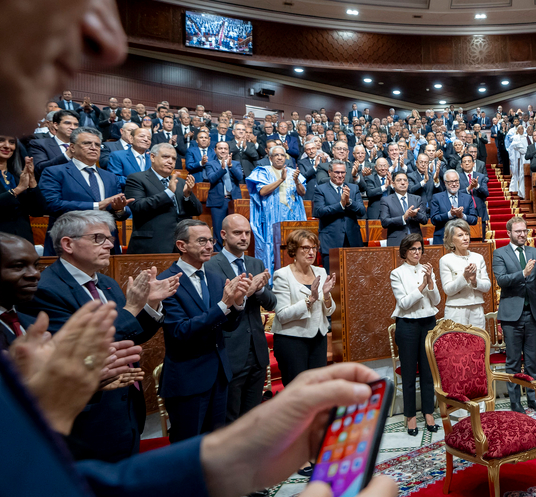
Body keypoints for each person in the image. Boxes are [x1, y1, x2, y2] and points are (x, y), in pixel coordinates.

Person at [0, 2, 399, 495]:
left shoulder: (162, 277)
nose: (110, 39)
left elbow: (64, 481)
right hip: (193, 377)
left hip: (211, 380)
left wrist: (228, 461)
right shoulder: (73, 281)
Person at [18, 210, 176, 461]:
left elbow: (130, 335)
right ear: (68, 243)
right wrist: (133, 307)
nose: (110, 244)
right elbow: (77, 350)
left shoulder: (106, 283)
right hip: (88, 412)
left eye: (109, 238)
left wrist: (151, 306)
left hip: (125, 405)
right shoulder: (46, 289)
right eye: (98, 238)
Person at [158, 220, 251, 443]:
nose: (209, 246)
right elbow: (180, 331)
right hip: (187, 378)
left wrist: (237, 304)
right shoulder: (166, 281)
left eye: (210, 240)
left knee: (216, 446)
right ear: (181, 245)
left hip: (218, 375)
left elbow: (228, 325)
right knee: (188, 448)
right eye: (201, 241)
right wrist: (223, 306)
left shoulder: (215, 277)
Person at [203, 214, 275, 422]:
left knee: (253, 417)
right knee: (230, 417)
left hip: (257, 350)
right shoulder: (211, 266)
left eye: (247, 233)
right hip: (230, 350)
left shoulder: (256, 263)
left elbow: (272, 303)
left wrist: (259, 291)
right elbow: (215, 307)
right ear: (223, 235)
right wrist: (247, 292)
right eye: (238, 233)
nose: (244, 237)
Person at [40, 127, 131, 256]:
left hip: (106, 245)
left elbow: (122, 213)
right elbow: (51, 204)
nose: (93, 147)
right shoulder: (54, 172)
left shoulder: (110, 177)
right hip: (70, 244)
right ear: (72, 147)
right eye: (87, 143)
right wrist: (97, 206)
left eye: (97, 144)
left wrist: (119, 210)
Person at [492, 216, 536, 413]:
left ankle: (533, 399)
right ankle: (515, 402)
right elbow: (502, 280)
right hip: (511, 317)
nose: (523, 234)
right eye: (518, 231)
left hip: (532, 313)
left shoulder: (534, 251)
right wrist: (523, 274)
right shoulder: (500, 253)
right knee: (514, 361)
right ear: (509, 233)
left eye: (525, 231)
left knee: (532, 360)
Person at [271, 229, 337, 387]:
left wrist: (326, 295)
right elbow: (282, 315)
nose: (311, 252)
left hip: (317, 339)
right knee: (297, 392)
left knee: (316, 390)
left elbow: (329, 310)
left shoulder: (320, 271)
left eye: (314, 248)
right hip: (292, 341)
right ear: (294, 250)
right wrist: (311, 299)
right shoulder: (282, 275)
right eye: (306, 248)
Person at [389, 233, 440, 436]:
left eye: (419, 249)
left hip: (428, 322)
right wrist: (422, 285)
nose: (417, 253)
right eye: (413, 249)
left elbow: (435, 301)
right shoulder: (397, 273)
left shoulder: (427, 270)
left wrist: (430, 282)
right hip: (407, 325)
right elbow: (404, 303)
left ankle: (429, 412)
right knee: (409, 372)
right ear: (405, 252)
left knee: (428, 372)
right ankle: (410, 416)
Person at [124, 143, 203, 254]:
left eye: (173, 159)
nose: (170, 161)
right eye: (165, 157)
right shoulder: (136, 179)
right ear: (152, 157)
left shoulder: (180, 182)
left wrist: (187, 195)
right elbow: (138, 207)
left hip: (180, 245)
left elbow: (197, 211)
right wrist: (168, 192)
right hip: (151, 245)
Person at [247, 145, 307, 271]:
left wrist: (296, 181)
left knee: (294, 246)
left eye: (282, 155)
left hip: (292, 217)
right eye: (276, 155)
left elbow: (302, 193)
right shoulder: (263, 171)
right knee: (272, 247)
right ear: (270, 157)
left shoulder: (293, 172)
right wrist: (281, 180)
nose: (280, 158)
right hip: (272, 218)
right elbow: (262, 192)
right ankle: (271, 279)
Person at [438, 219, 490, 328]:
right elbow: (448, 290)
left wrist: (475, 281)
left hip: (477, 309)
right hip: (456, 310)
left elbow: (487, 286)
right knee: (457, 344)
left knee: (478, 343)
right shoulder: (446, 260)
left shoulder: (478, 258)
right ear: (451, 240)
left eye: (467, 234)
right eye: (460, 235)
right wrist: (464, 277)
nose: (465, 238)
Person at [314, 161, 365, 270]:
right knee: (332, 278)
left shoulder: (353, 188)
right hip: (330, 241)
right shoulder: (321, 189)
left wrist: (349, 202)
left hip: (353, 240)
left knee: (355, 277)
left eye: (343, 172)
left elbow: (362, 211)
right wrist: (340, 205)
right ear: (329, 172)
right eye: (337, 172)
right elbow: (318, 212)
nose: (340, 175)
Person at [204, 141, 244, 251]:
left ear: (228, 151)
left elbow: (240, 177)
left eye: (225, 149)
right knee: (218, 229)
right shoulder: (210, 164)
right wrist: (222, 168)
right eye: (220, 148)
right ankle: (218, 253)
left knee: (235, 228)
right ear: (215, 150)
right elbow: (212, 179)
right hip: (218, 201)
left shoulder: (235, 163)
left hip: (234, 201)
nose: (223, 151)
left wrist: (230, 166)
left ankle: (234, 250)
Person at [0, 143, 44, 240]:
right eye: (1, 140)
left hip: (23, 239)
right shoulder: (20, 184)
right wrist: (17, 190)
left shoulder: (17, 176)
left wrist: (32, 180)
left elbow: (38, 211)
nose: (7, 146)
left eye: (11, 142)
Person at [380, 171, 429, 246]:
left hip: (415, 241)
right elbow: (384, 222)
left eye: (405, 180)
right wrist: (403, 218)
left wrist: (415, 215)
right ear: (393, 183)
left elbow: (425, 220)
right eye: (399, 180)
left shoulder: (417, 199)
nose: (403, 183)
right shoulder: (386, 200)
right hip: (397, 241)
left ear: (408, 183)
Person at [430, 169, 478, 245]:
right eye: (451, 182)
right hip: (442, 239)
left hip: (462, 240)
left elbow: (474, 220)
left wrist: (462, 216)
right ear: (445, 183)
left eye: (456, 181)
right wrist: (449, 214)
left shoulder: (467, 198)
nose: (454, 184)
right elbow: (434, 220)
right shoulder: (437, 197)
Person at [29, 109, 79, 174]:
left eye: (76, 124)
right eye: (67, 123)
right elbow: (40, 168)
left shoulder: (80, 146)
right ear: (56, 125)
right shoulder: (39, 144)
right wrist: (67, 155)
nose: (73, 127)